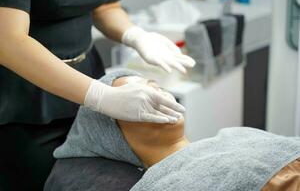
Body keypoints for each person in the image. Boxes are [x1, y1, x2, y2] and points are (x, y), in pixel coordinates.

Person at [0, 0, 196, 190]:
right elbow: (7, 41)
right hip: (24, 98)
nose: (159, 95)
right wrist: (100, 95)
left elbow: (106, 7)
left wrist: (134, 34)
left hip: (88, 73)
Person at [50, 70, 300, 191]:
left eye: (155, 86)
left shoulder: (234, 134)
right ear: (112, 137)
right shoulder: (162, 185)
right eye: (141, 97)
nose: (160, 94)